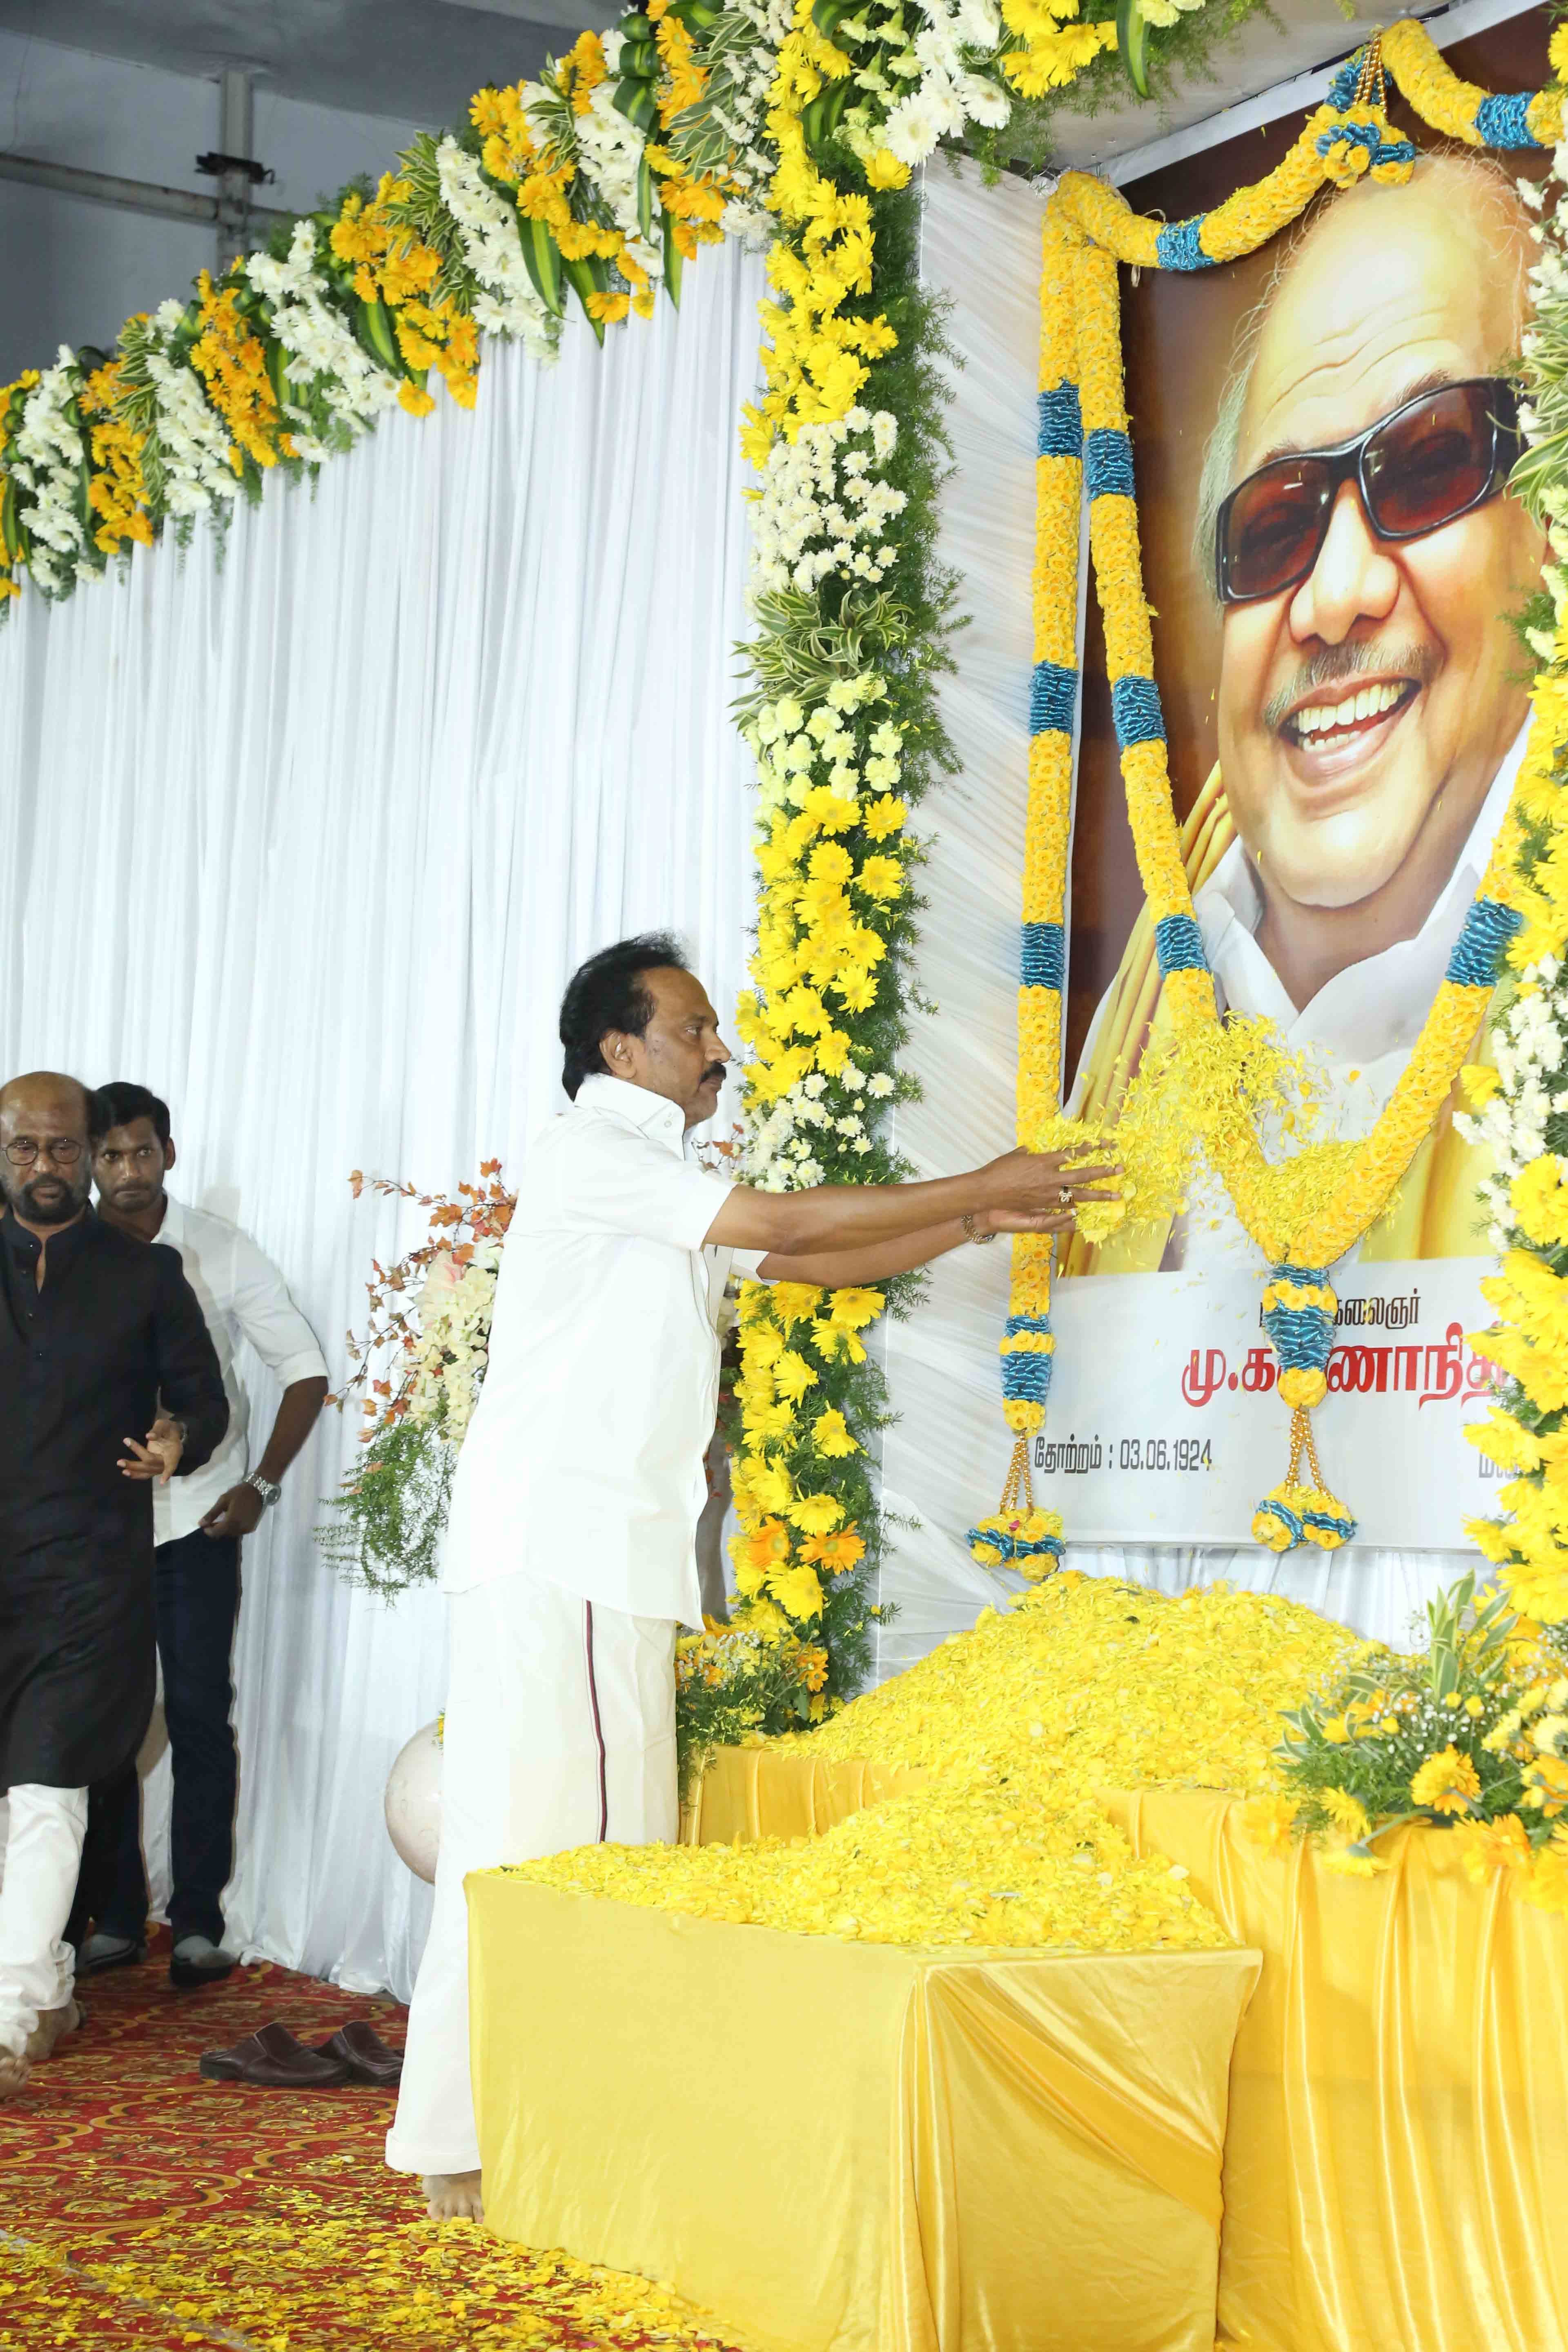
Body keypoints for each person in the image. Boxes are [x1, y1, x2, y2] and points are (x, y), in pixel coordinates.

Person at [384, 933, 1118, 2222]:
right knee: (538, 1851)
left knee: (610, 1850)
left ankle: (564, 2126)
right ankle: (466, 2147)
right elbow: (783, 1223)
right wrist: (980, 1175)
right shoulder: (594, 1153)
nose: (719, 1050)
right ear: (620, 1051)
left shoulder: (660, 1177)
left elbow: (801, 1262)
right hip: (562, 1550)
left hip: (603, 1558)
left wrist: (969, 1221)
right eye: (694, 1029)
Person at [1065, 153, 1547, 1275]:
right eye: (1276, 529)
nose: (1333, 599)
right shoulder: (1144, 1011)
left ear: (1551, 527)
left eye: (1430, 467)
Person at [67, 1082, 329, 1991]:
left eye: (142, 1152)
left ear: (169, 1154)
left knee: (197, 1715)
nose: (128, 1172)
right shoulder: (66, 1257)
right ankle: (112, 1915)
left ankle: (197, 1923)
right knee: (102, 1726)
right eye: (111, 1156)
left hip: (199, 1521)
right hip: (95, 1531)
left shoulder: (220, 1248)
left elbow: (304, 1369)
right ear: (90, 1164)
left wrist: (261, 1485)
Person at [0, 1072, 227, 2101]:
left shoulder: (146, 1275)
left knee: (49, 1786)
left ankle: (11, 2015)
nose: (45, 1167)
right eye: (25, 1147)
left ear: (91, 1153)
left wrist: (180, 1439)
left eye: (63, 1148)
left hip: (88, 1575)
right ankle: (46, 1982)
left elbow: (205, 1401)